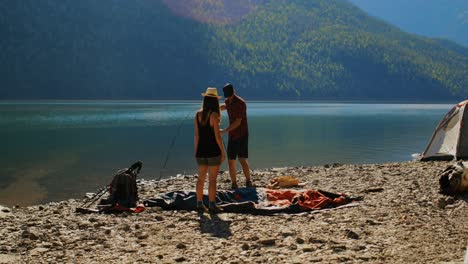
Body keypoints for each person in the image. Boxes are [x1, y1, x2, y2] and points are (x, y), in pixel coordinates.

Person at [194, 87, 226, 213]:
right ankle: (212, 205)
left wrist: (196, 150)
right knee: (212, 179)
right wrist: (223, 152)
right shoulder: (214, 115)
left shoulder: (197, 115)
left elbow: (196, 135)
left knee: (200, 178)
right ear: (215, 102)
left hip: (201, 151)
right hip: (213, 151)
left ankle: (199, 204)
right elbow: (217, 137)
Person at [220, 83, 252, 189]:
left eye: (229, 94)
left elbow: (238, 122)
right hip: (233, 135)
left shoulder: (240, 103)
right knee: (231, 160)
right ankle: (234, 183)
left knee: (242, 159)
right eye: (227, 95)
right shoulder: (228, 101)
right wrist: (213, 108)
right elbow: (225, 107)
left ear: (234, 91)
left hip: (242, 134)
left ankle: (248, 181)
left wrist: (224, 130)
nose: (228, 97)